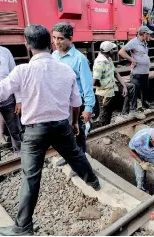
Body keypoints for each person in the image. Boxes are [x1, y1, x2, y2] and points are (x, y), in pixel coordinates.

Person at [0, 24, 100, 236]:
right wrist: (75, 122)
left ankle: (23, 227)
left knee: (31, 176)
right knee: (75, 154)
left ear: (27, 44)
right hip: (61, 125)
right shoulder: (65, 70)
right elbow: (76, 101)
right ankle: (93, 181)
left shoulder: (22, 71)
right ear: (50, 43)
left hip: (34, 131)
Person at [52, 22, 95, 154]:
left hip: (76, 103)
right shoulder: (54, 56)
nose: (56, 42)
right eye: (54, 38)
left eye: (60, 38)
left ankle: (80, 162)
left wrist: (88, 108)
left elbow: (87, 85)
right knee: (63, 132)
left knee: (78, 133)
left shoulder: (79, 59)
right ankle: (67, 158)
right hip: (60, 102)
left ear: (70, 38)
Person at [0, 24, 22, 164]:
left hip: (8, 100)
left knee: (16, 130)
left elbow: (15, 78)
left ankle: (21, 158)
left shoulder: (5, 52)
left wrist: (19, 100)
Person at [93, 41, 145, 126]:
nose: (114, 51)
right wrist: (103, 86)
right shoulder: (100, 62)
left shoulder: (108, 59)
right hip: (105, 93)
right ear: (109, 51)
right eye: (112, 50)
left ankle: (131, 112)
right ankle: (103, 135)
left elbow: (115, 73)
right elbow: (95, 81)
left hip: (112, 88)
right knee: (105, 115)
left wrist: (124, 86)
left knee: (131, 87)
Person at [119, 26, 152, 109]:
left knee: (144, 90)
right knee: (133, 91)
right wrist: (131, 59)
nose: (149, 36)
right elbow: (121, 52)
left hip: (145, 72)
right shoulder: (133, 42)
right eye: (148, 34)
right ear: (143, 34)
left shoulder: (144, 42)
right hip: (137, 72)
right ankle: (126, 110)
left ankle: (144, 105)